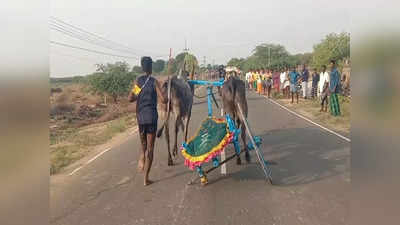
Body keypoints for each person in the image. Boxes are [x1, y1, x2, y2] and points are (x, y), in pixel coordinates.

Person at [128, 56, 167, 186]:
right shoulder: (154, 82)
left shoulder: (139, 81)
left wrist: (138, 94)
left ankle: (141, 156)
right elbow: (163, 100)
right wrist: (165, 96)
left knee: (143, 144)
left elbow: (131, 98)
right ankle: (146, 179)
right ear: (151, 67)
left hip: (140, 117)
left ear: (142, 66)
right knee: (151, 148)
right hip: (151, 117)